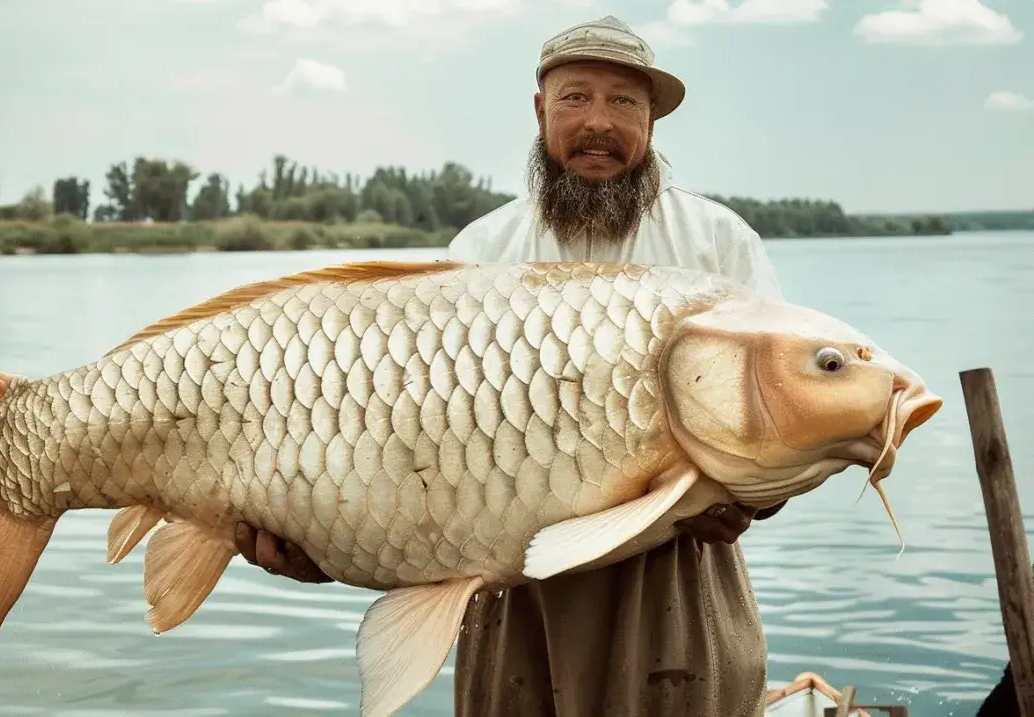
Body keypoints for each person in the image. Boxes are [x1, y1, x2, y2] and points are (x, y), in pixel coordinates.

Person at [233, 14, 788, 716]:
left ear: (652, 120)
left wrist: (753, 500)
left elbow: (783, 413)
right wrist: (328, 541)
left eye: (623, 102)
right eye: (575, 98)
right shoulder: (478, 251)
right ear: (539, 111)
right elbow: (410, 445)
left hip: (674, 583)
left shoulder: (718, 246)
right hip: (507, 590)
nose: (598, 123)